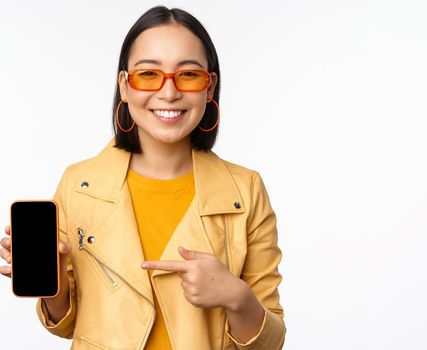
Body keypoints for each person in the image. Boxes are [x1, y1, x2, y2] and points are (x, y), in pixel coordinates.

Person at [0, 6, 285, 349]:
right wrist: (56, 287)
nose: (168, 93)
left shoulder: (246, 190)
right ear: (124, 85)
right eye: (148, 74)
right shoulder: (79, 184)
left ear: (210, 88)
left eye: (189, 75)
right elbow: (67, 325)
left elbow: (270, 342)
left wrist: (237, 297)